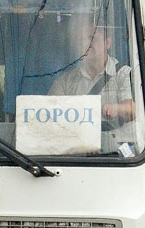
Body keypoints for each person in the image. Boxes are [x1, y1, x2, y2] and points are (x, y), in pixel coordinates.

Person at [48, 15, 135, 146]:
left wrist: (117, 109)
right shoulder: (65, 82)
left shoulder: (123, 74)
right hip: (79, 153)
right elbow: (48, 114)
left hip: (119, 155)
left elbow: (132, 110)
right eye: (81, 39)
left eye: (92, 38)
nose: (86, 44)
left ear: (107, 42)